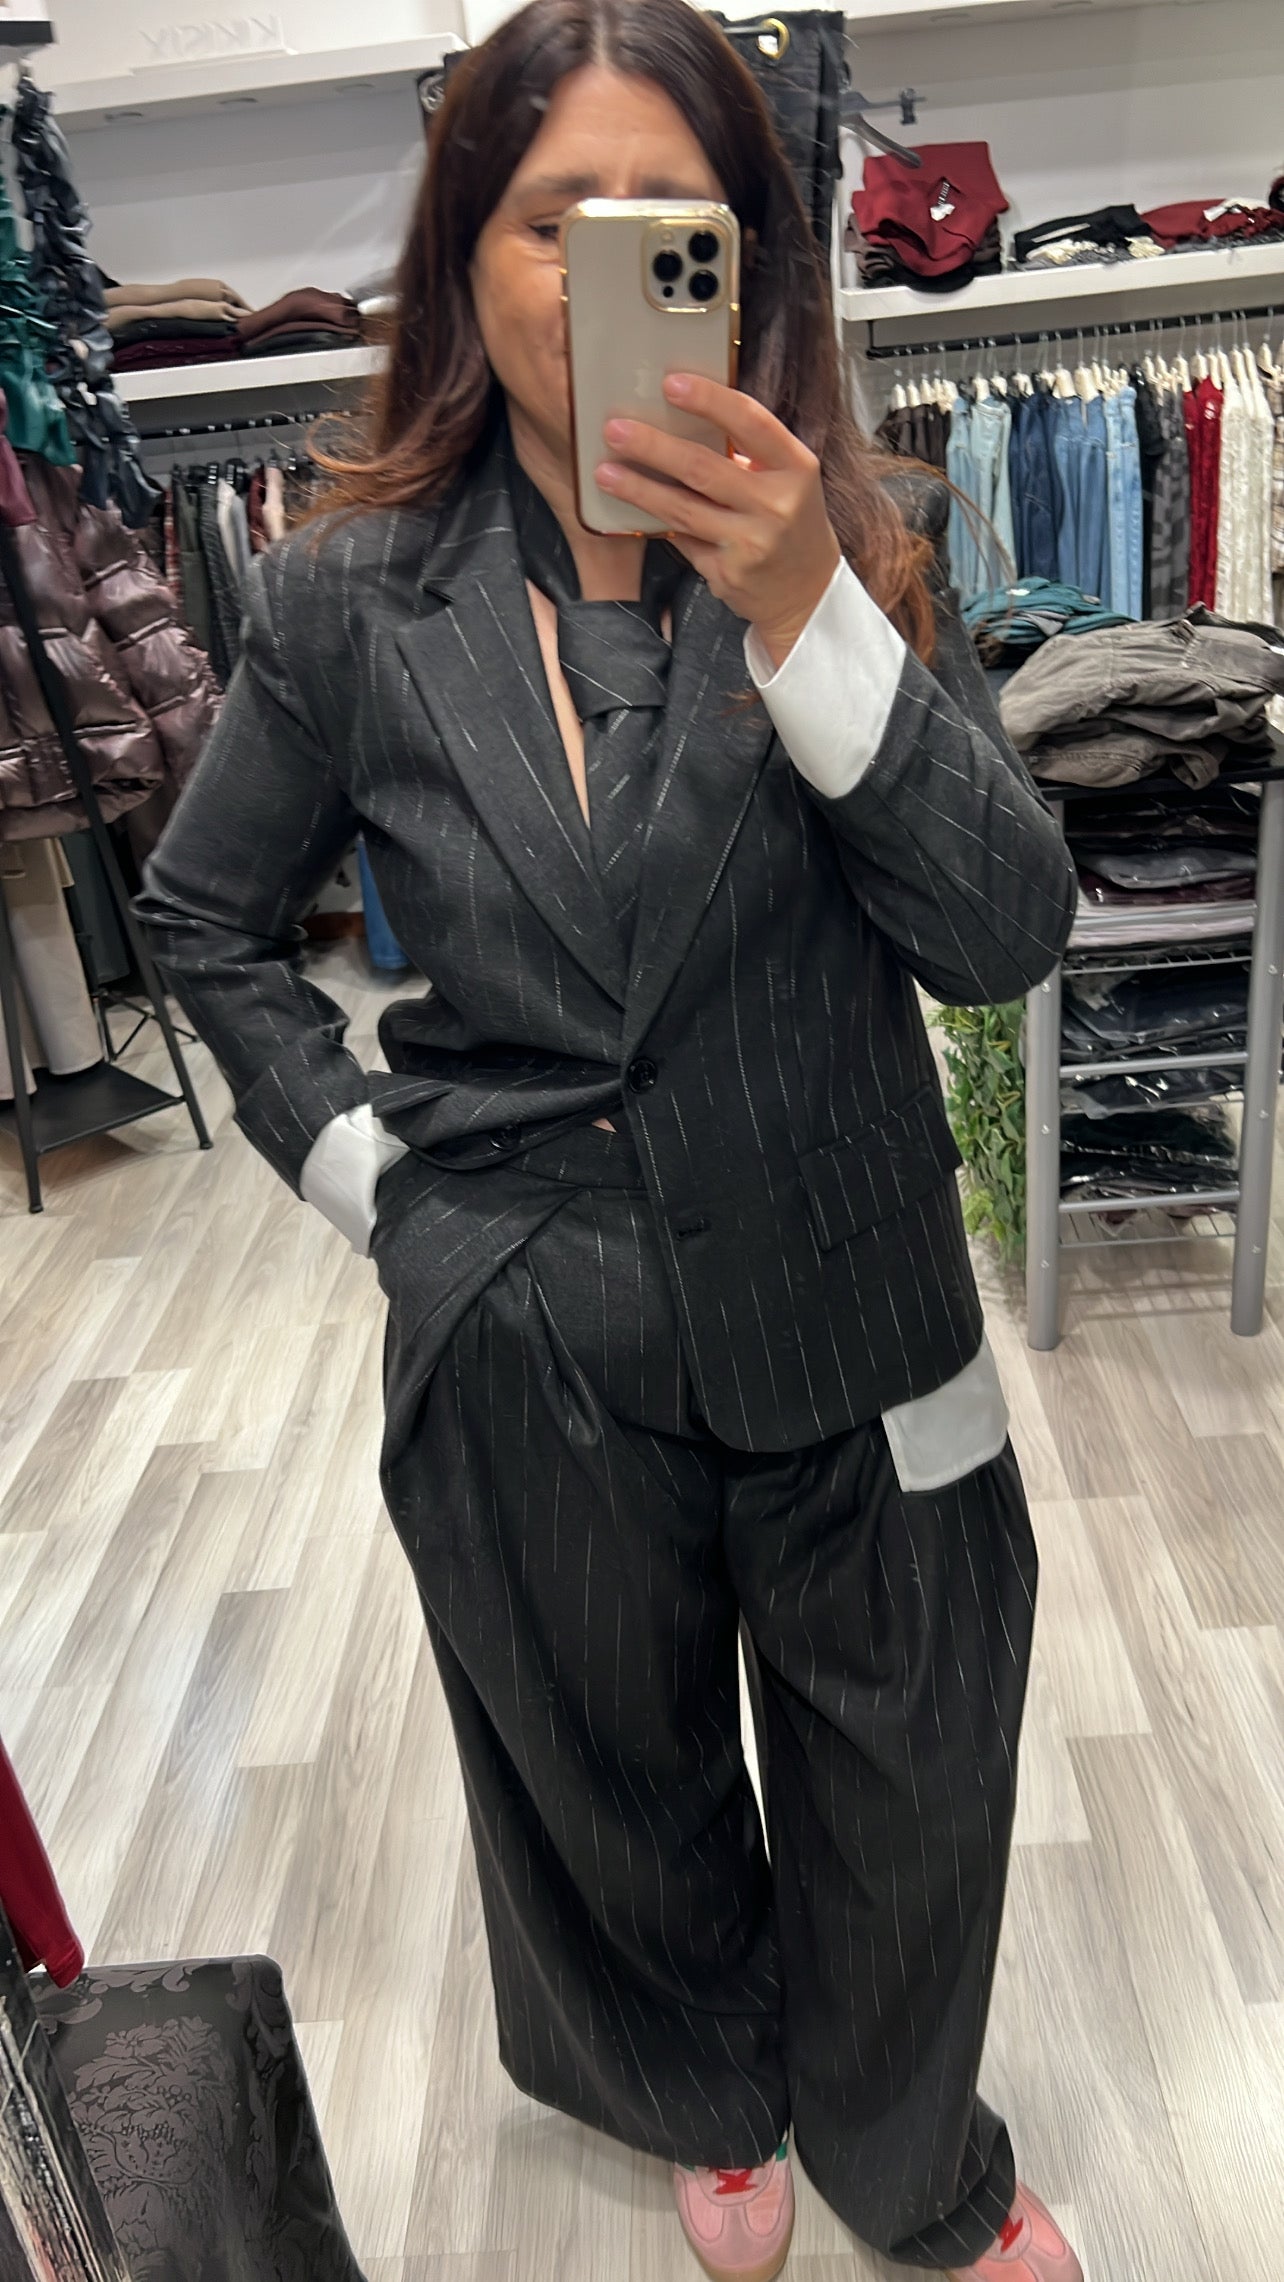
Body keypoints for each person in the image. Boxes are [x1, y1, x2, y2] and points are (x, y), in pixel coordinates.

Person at [136, 4, 1081, 2276]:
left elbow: (1004, 934)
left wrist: (807, 619)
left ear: (746, 264)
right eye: (553, 218)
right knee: (609, 1782)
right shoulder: (350, 594)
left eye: (670, 221)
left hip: (859, 1312)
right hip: (531, 1326)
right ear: (467, 258)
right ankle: (702, 2085)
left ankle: (912, 2163)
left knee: (916, 1777)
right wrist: (377, 1193)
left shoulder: (864, 544)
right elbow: (199, 918)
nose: (603, 272)